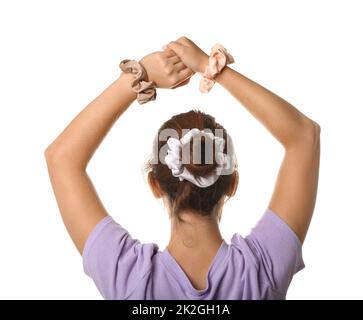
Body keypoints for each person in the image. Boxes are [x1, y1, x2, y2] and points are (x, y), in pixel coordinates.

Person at [45, 36, 320, 299]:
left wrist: (139, 75)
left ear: (154, 184)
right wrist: (211, 69)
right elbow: (304, 137)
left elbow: (61, 159)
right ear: (233, 183)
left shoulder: (127, 278)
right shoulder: (262, 272)